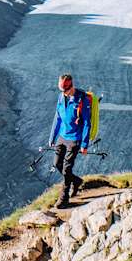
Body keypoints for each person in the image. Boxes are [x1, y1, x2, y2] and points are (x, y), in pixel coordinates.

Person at [47, 73, 90, 208]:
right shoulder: (61, 97)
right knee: (57, 164)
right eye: (61, 90)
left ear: (72, 86)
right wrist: (52, 136)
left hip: (74, 139)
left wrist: (84, 144)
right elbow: (57, 118)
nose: (63, 93)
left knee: (66, 169)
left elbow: (87, 123)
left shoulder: (82, 100)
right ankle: (76, 181)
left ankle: (64, 198)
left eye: (65, 90)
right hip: (62, 136)